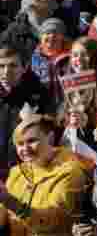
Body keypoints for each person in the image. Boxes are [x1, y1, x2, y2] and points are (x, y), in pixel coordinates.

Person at [0, 107, 89, 236]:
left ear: (50, 138)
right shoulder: (16, 172)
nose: (25, 149)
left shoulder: (70, 172)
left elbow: (54, 222)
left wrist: (9, 201)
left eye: (32, 141)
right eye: (20, 144)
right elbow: (4, 215)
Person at [0, 41, 55, 181]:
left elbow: (50, 133)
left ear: (24, 67)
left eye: (13, 65)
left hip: (25, 171)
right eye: (1, 66)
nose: (6, 72)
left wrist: (35, 121)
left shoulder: (39, 94)